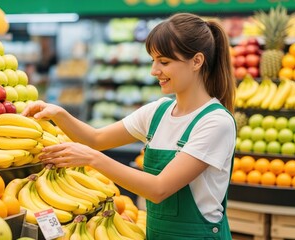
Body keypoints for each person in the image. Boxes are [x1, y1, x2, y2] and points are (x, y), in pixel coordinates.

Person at [22, 12, 236, 239]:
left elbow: (159, 189)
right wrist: (59, 113)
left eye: (164, 62)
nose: (154, 71)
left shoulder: (215, 122)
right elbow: (96, 139)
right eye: (153, 60)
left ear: (197, 61)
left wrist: (92, 158)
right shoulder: (157, 112)